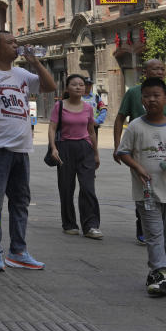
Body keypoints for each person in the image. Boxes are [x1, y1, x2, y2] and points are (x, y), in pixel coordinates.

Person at [0, 31, 56, 271]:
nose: (16, 46)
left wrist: (36, 62)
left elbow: (50, 87)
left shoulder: (21, 74)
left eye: (16, 42)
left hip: (21, 149)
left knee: (20, 201)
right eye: (10, 43)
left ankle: (18, 251)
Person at [115, 77, 166, 297]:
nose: (151, 100)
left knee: (165, 238)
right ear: (142, 100)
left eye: (156, 95)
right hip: (145, 191)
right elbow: (123, 152)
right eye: (147, 96)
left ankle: (156, 273)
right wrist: (137, 167)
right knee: (154, 234)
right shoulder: (136, 126)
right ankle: (161, 275)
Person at [113, 58, 166, 244]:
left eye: (161, 68)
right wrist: (117, 145)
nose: (159, 71)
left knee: (165, 189)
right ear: (145, 71)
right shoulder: (134, 93)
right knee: (143, 187)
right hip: (140, 149)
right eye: (154, 69)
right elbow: (120, 118)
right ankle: (143, 228)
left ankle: (163, 230)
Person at [48, 74, 102, 239]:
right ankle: (69, 223)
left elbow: (91, 131)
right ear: (67, 88)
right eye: (74, 84)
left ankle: (91, 225)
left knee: (88, 188)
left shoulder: (88, 108)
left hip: (85, 148)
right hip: (64, 148)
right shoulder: (60, 106)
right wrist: (53, 148)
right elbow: (52, 128)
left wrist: (96, 153)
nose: (79, 87)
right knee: (66, 188)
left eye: (81, 85)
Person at [81, 77, 107, 145]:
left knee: (92, 147)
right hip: (79, 126)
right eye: (86, 84)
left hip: (93, 127)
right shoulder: (77, 97)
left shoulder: (96, 97)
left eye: (90, 84)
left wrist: (97, 121)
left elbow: (103, 110)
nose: (88, 86)